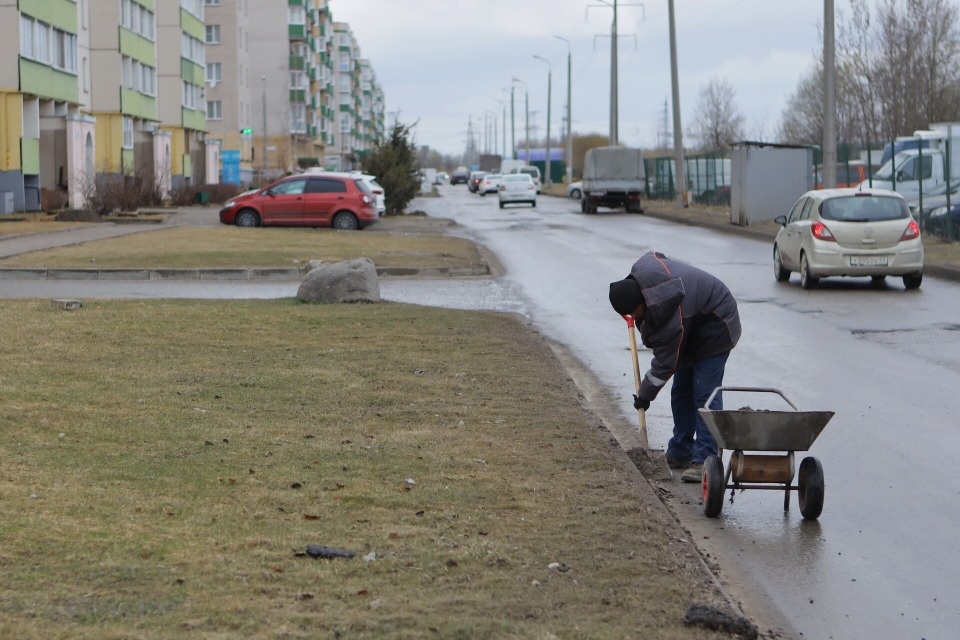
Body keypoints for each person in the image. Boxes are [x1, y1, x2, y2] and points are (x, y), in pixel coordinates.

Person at [608, 251, 741, 483]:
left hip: (717, 323)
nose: (633, 316)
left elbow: (664, 364)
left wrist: (645, 396)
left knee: (703, 394)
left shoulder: (667, 310)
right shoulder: (641, 273)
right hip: (691, 324)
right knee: (681, 392)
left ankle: (705, 460)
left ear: (642, 301)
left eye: (633, 312)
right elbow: (656, 255)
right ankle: (681, 451)